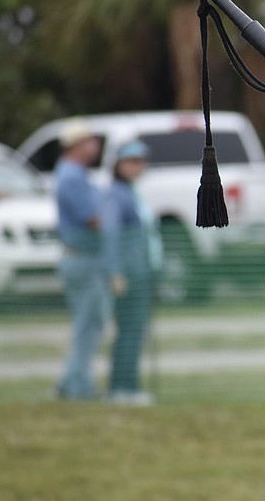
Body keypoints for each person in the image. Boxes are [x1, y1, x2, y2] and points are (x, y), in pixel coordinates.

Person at [102, 140, 162, 405]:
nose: (137, 166)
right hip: (127, 274)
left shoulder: (131, 191)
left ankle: (127, 386)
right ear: (118, 165)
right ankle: (122, 388)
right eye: (131, 161)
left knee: (134, 331)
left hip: (141, 271)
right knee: (128, 331)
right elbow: (111, 235)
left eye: (140, 161)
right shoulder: (116, 194)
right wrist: (115, 273)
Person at [54, 121, 110, 401]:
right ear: (77, 145)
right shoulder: (72, 176)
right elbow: (93, 219)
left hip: (82, 258)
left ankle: (74, 380)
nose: (95, 146)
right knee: (88, 323)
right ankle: (76, 384)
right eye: (90, 140)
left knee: (88, 322)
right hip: (83, 258)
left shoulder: (74, 173)